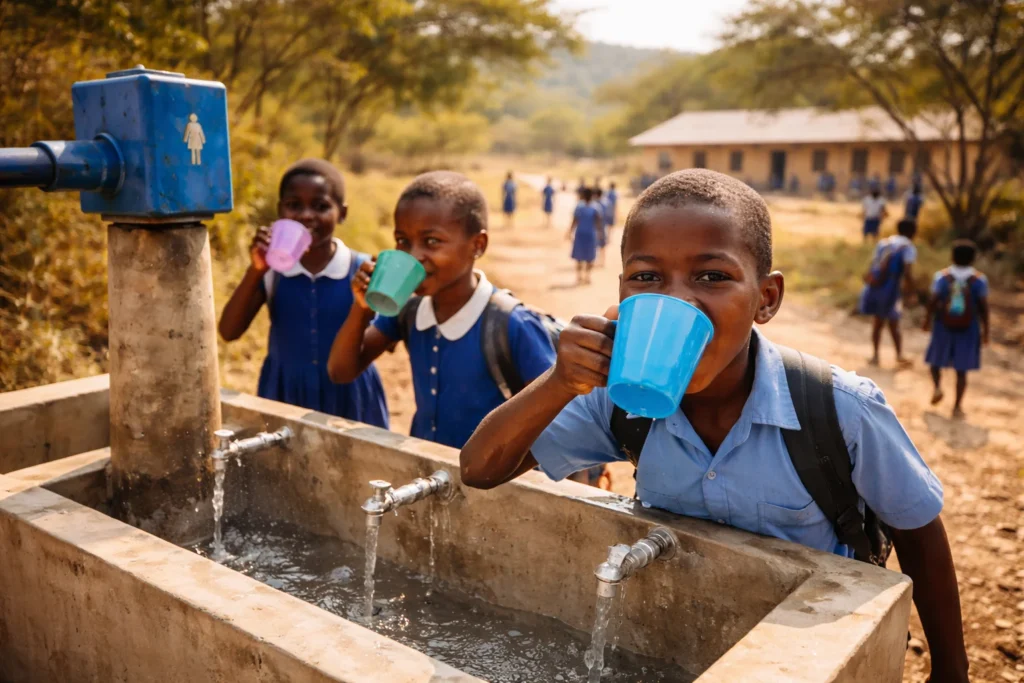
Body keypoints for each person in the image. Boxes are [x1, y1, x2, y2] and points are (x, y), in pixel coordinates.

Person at [461, 169, 968, 683]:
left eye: (712, 277)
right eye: (647, 278)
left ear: (766, 298)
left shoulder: (838, 409)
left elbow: (918, 531)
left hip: (804, 660)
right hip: (673, 649)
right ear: (623, 294)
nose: (677, 300)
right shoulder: (617, 402)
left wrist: (951, 670)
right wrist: (559, 382)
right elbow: (479, 469)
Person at [327, 171, 556, 449]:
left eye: (432, 241)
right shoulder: (409, 311)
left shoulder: (513, 324)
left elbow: (559, 424)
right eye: (402, 241)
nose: (413, 255)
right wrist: (363, 308)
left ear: (478, 245)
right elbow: (341, 371)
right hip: (425, 467)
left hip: (493, 475)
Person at [218, 159, 389, 428]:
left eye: (321, 206)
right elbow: (229, 331)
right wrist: (256, 270)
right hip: (286, 396)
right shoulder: (271, 272)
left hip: (351, 398)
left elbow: (383, 336)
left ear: (342, 213)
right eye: (294, 205)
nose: (307, 215)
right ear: (280, 211)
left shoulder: (362, 270)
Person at [923, 240, 990, 419]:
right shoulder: (979, 280)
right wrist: (986, 332)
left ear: (952, 257)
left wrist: (927, 320)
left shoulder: (942, 277)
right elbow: (984, 308)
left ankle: (937, 387)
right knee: (962, 369)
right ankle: (957, 406)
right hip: (968, 328)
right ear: (973, 259)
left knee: (935, 361)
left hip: (943, 326)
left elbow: (933, 301)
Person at [859, 218, 918, 368]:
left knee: (877, 321)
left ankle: (875, 355)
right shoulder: (908, 247)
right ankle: (899, 355)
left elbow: (874, 263)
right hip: (892, 287)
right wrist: (911, 291)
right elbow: (907, 272)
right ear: (912, 232)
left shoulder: (884, 243)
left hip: (877, 285)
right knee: (894, 322)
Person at [567, 187, 600, 285]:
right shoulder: (596, 207)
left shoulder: (579, 207)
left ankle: (579, 277)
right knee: (589, 257)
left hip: (580, 234)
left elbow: (574, 221)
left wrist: (569, 231)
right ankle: (587, 276)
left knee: (579, 256)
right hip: (590, 235)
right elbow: (598, 223)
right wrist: (599, 234)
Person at [593, 188, 609, 268]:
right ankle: (603, 261)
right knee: (603, 245)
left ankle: (596, 260)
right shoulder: (606, 203)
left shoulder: (595, 204)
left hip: (596, 227)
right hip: (603, 226)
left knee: (595, 245)